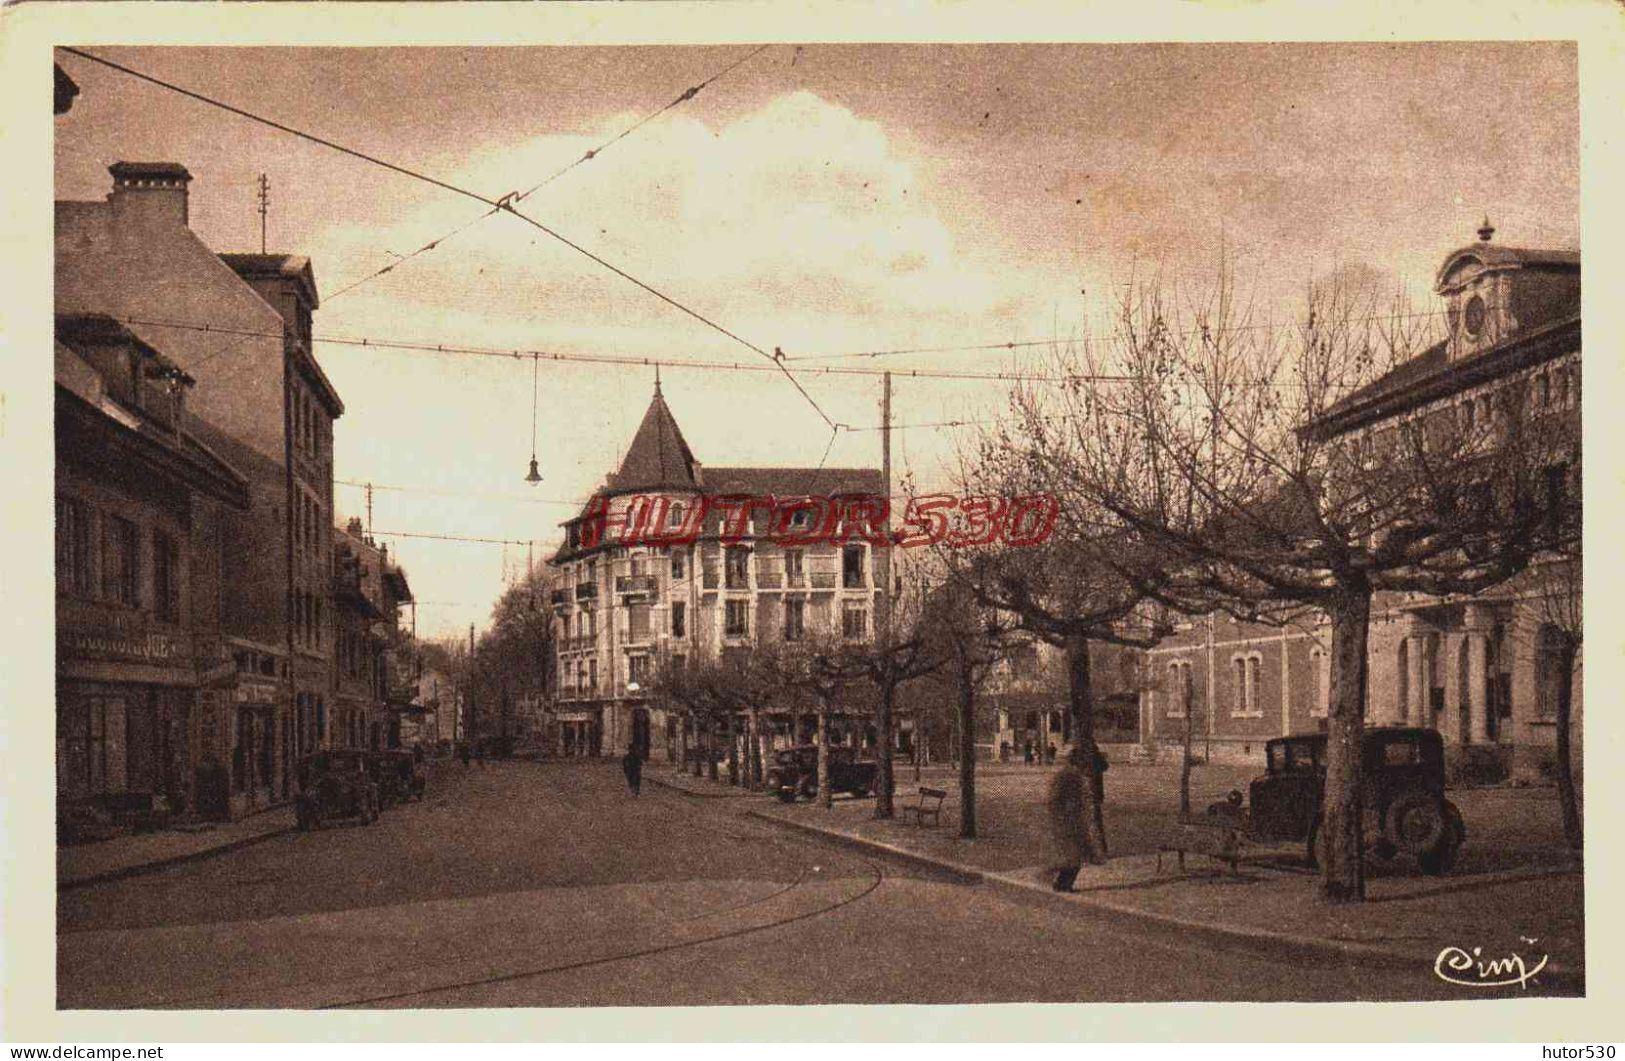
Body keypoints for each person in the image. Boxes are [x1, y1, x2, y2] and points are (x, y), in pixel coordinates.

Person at [1047, 744, 1087, 892]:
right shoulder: (1068, 774)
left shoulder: (1072, 773)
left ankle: (1062, 883)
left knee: (1074, 855)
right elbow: (1054, 798)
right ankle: (1062, 883)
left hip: (1072, 818)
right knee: (1074, 855)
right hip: (1068, 819)